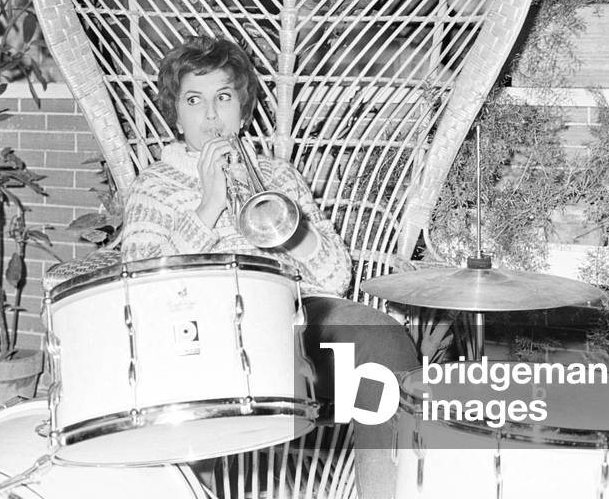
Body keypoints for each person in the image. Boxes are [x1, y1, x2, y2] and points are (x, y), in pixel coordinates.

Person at [122, 35, 418, 499]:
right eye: (194, 101)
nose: (211, 116)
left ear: (242, 107)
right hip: (203, 329)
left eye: (223, 98)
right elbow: (141, 282)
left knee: (380, 339)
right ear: (176, 115)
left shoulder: (279, 176)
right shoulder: (153, 186)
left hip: (293, 319)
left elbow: (338, 276)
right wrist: (207, 207)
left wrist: (290, 231)